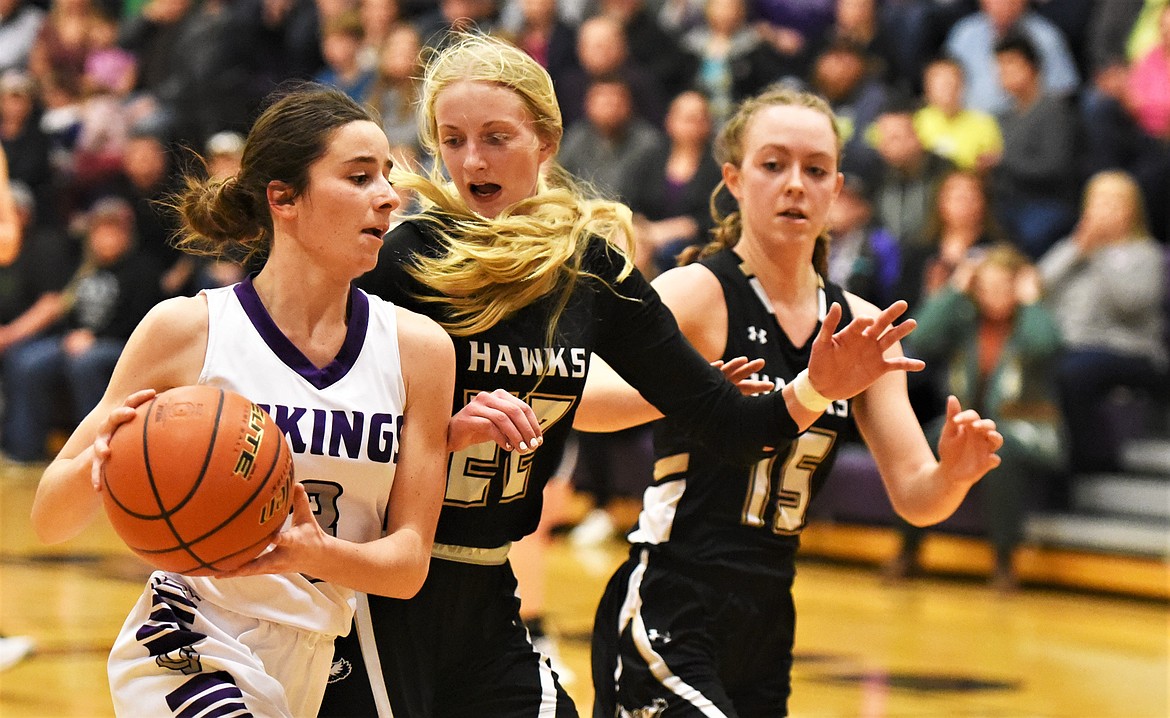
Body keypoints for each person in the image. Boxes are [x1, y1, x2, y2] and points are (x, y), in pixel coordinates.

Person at [323, 32, 925, 718]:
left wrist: (817, 386)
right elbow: (333, 422)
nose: (472, 160)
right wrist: (438, 433)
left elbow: (729, 427)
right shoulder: (406, 259)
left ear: (546, 142)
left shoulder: (589, 269)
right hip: (386, 591)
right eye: (453, 139)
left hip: (491, 590)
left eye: (496, 137)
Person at [28, 83, 456, 716]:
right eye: (360, 176)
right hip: (186, 637)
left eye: (386, 176)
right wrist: (103, 459)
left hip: (316, 652)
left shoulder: (419, 349)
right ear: (282, 197)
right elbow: (49, 520)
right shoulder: (186, 330)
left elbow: (408, 564)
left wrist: (316, 554)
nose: (389, 196)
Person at [588, 86, 1003, 718]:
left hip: (769, 616)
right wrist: (690, 393)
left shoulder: (860, 327)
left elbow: (917, 499)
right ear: (733, 179)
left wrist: (954, 473)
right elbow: (582, 397)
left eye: (815, 170)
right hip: (670, 600)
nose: (795, 185)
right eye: (773, 164)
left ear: (837, 188)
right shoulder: (699, 292)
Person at [884, 244, 1065, 592]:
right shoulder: (965, 320)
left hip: (1030, 429)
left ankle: (1003, 565)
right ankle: (907, 552)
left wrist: (1031, 302)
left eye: (1002, 287)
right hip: (971, 424)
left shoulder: (1032, 320)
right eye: (984, 287)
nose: (992, 296)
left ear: (1019, 287)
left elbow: (1043, 346)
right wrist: (954, 288)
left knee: (1003, 450)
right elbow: (921, 337)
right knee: (926, 438)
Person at [1037, 169, 1168, 477]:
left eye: (1114, 203)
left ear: (1132, 210)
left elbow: (1131, 304)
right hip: (1070, 347)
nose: (1105, 210)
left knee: (1073, 372)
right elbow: (1036, 287)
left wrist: (1098, 256)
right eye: (1099, 202)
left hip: (1130, 351)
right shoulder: (1074, 249)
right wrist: (1075, 249)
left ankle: (1087, 463)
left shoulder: (1145, 254)